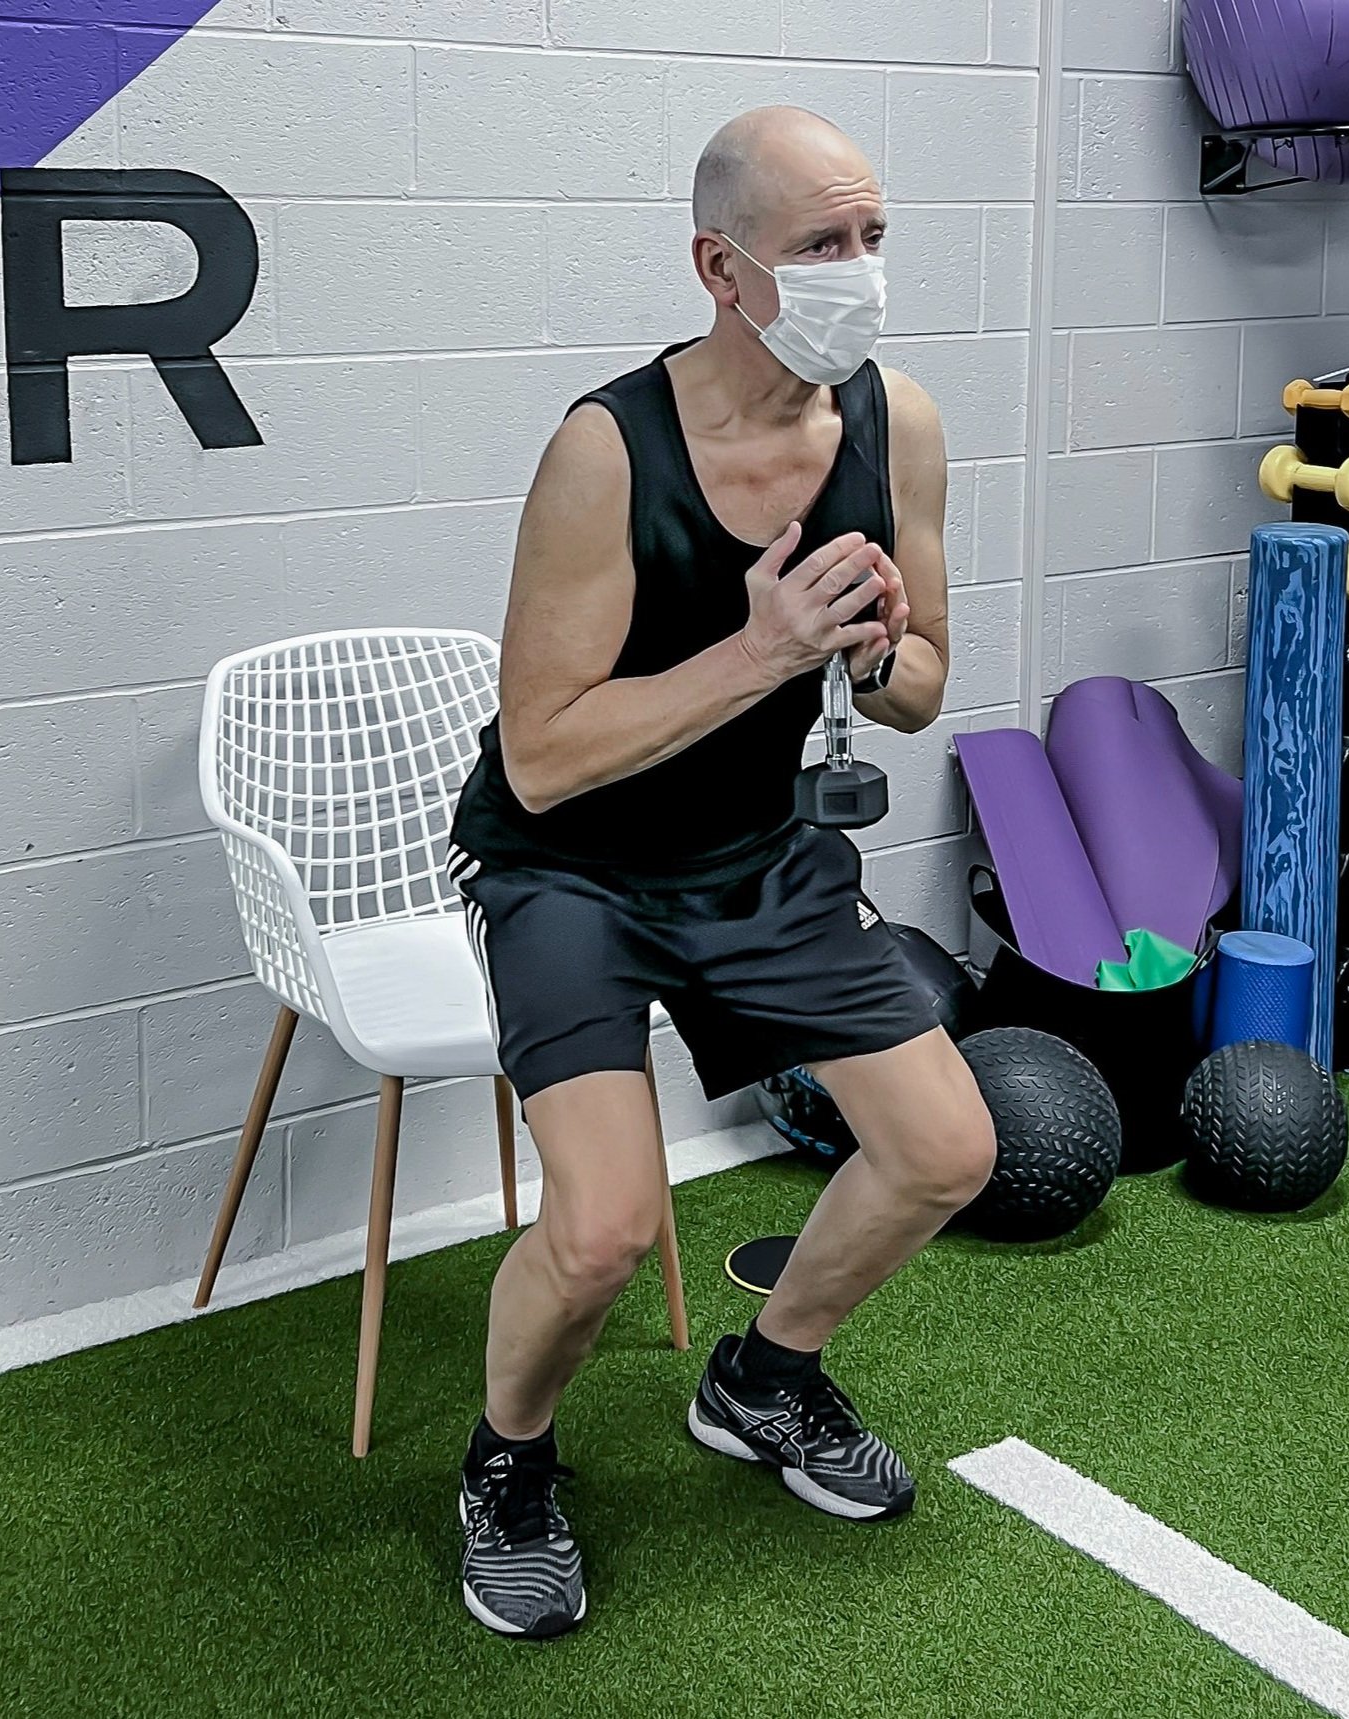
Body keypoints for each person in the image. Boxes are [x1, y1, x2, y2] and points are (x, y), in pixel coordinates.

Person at [443, 105, 997, 1639]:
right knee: (608, 1228)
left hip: (758, 859)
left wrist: (871, 647)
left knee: (947, 1148)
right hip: (573, 871)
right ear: (721, 265)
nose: (860, 274)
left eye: (874, 238)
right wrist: (762, 647)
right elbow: (544, 754)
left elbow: (926, 683)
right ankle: (508, 1464)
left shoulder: (904, 427)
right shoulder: (605, 449)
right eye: (824, 245)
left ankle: (764, 1376)